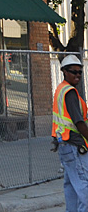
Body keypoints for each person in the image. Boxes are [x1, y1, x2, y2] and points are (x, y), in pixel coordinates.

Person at [53, 54, 88, 212]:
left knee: (72, 186)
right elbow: (79, 122)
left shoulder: (61, 90)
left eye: (80, 72)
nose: (78, 75)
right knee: (84, 187)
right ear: (64, 72)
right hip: (75, 146)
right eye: (74, 72)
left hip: (65, 145)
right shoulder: (70, 92)